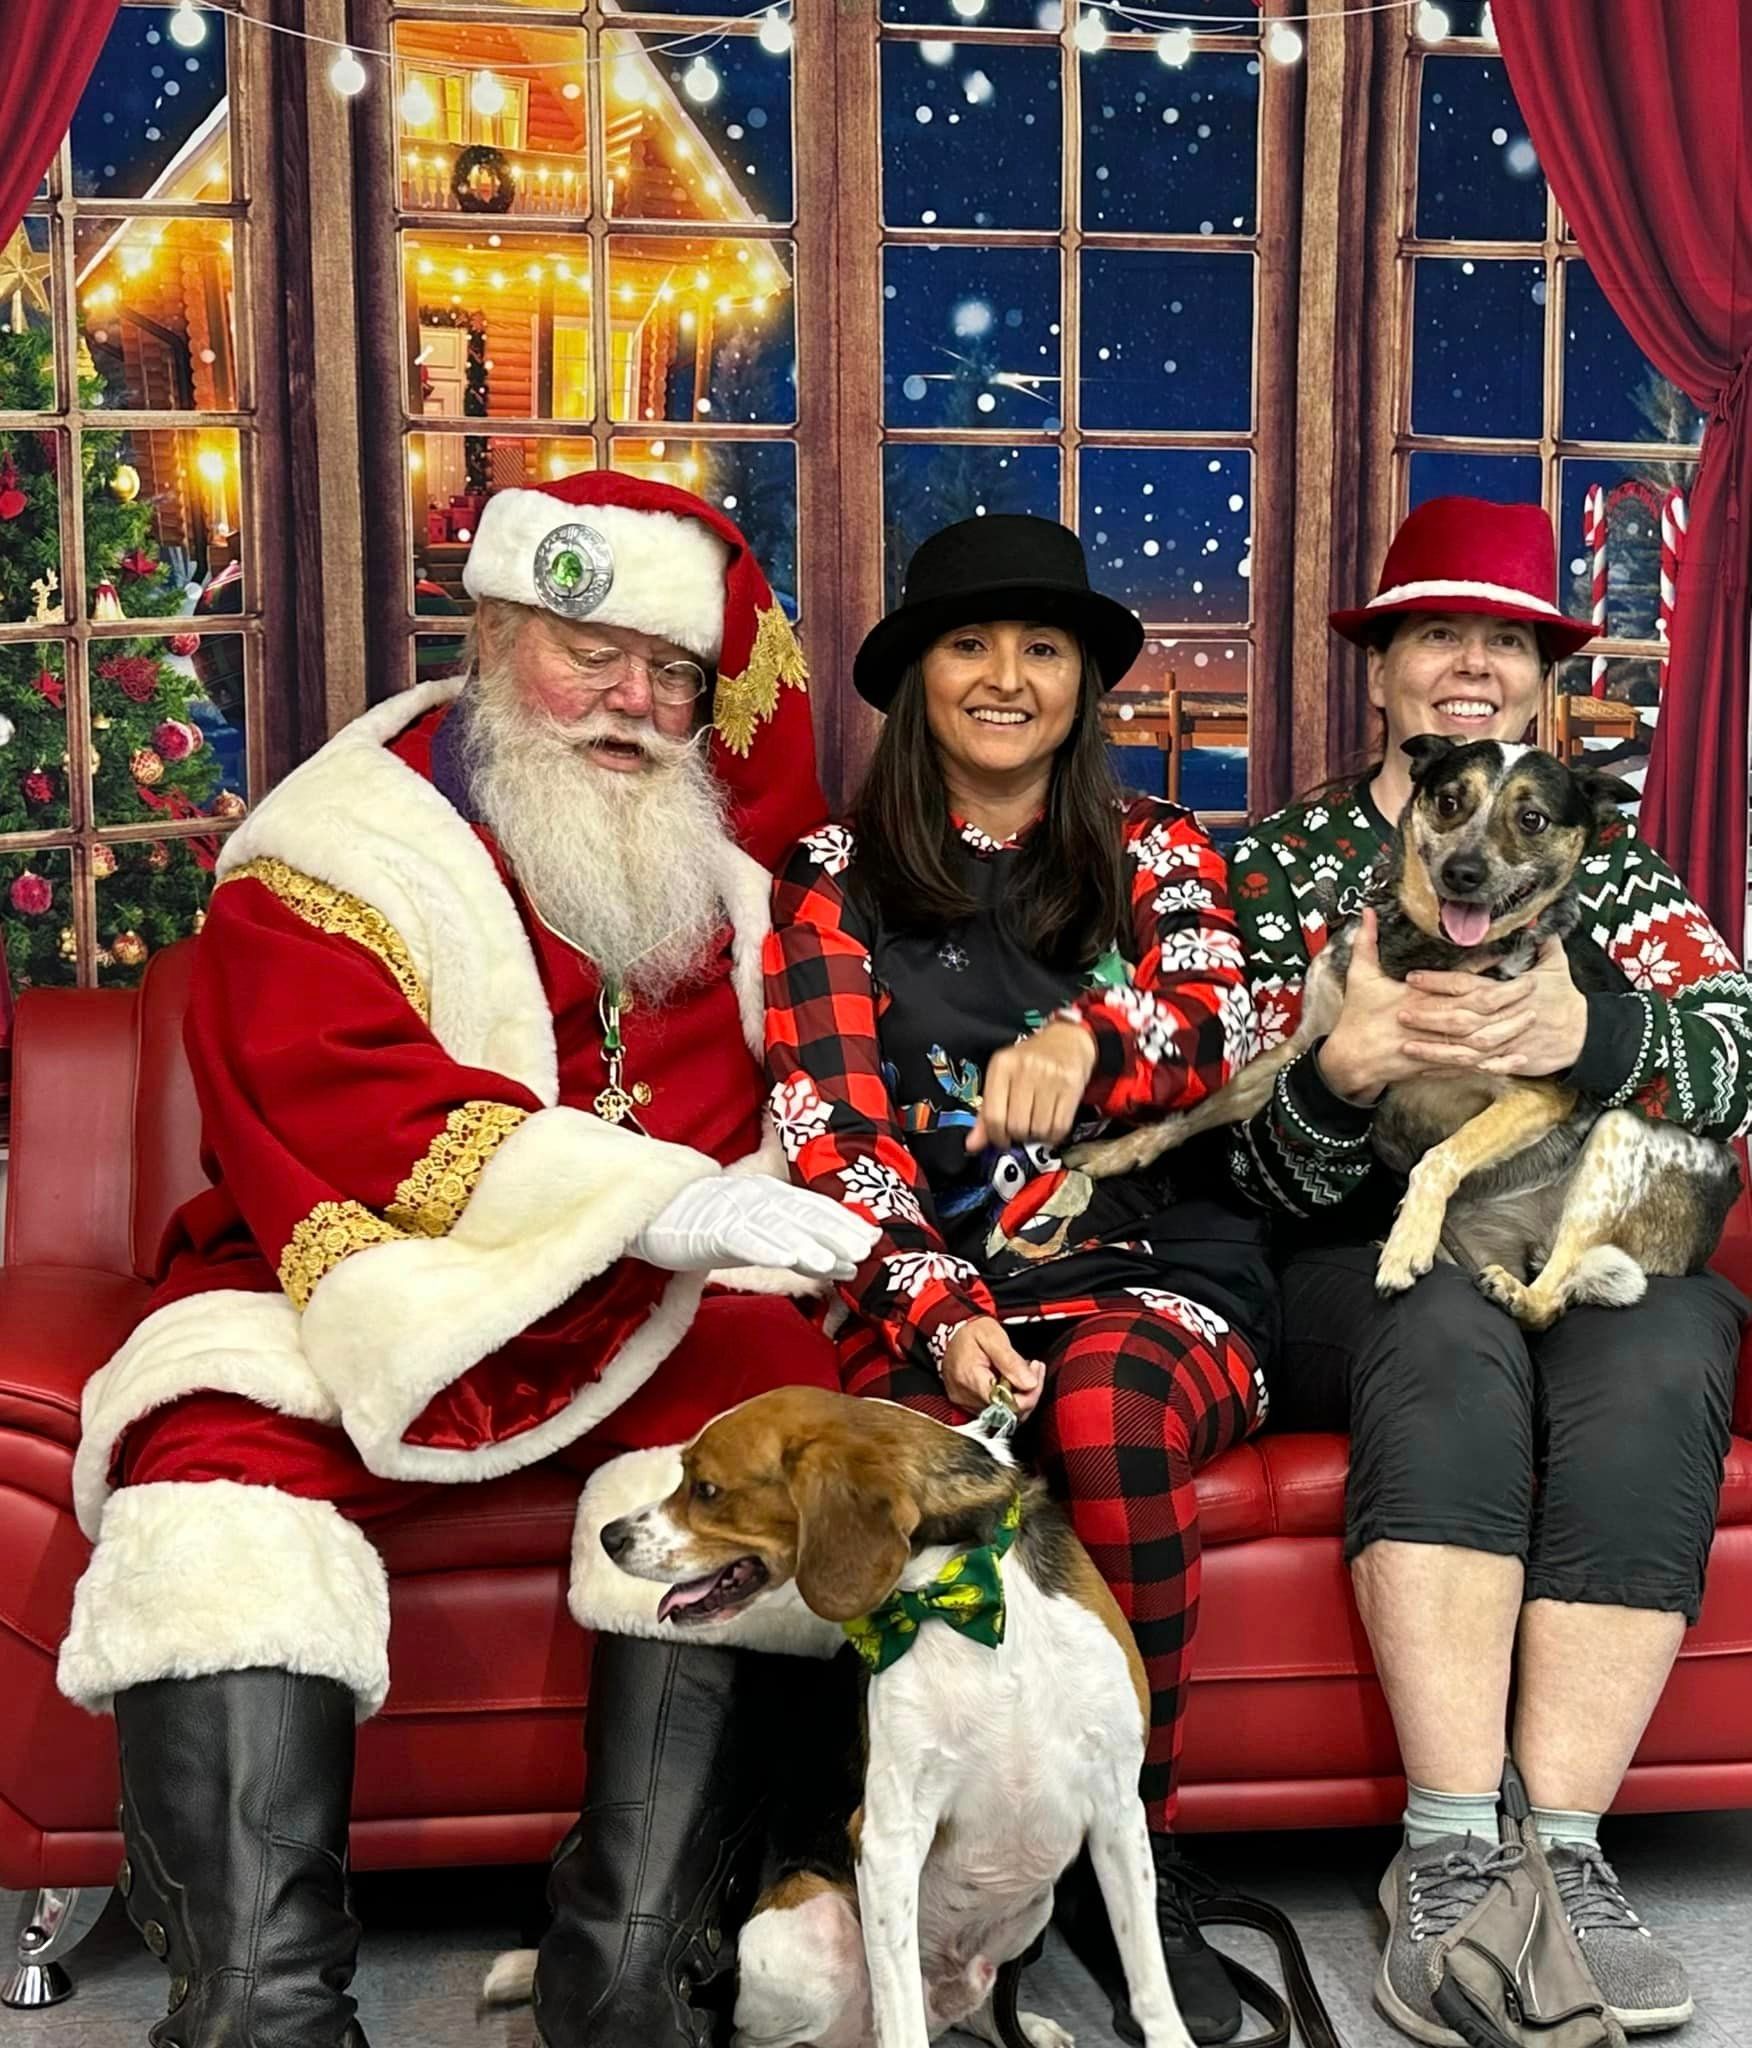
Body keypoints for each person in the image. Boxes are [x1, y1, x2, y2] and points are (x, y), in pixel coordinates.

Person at [54, 470, 880, 2048]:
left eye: (673, 672)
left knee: (778, 1411)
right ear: (496, 634)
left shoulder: (722, 877)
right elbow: (339, 1093)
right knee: (207, 1472)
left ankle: (632, 1974)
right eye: (591, 651)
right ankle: (262, 2003)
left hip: (648, 1298)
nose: (632, 703)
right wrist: (646, 1200)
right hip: (354, 1268)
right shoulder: (335, 845)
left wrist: (756, 1211)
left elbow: (797, 1098)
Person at [1225, 495, 1750, 2043]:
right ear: (1380, 670)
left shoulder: (1618, 873)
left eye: (1505, 640)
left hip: (1569, 1239)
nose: (1471, 663)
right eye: (1436, 633)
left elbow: (1737, 1059)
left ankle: (1567, 1858)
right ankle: (1452, 1852)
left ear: (1539, 679)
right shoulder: (1282, 867)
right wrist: (1341, 1077)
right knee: (1442, 1319)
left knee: (1669, 1331)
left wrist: (1606, 1036)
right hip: (1353, 1266)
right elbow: (1239, 1165)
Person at [763, 513, 1271, 2045]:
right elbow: (832, 1137)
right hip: (937, 1284)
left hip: (1156, 1271)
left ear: (1083, 683)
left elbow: (1224, 1018)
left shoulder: (1165, 848)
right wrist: (943, 1306)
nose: (1006, 676)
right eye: (969, 645)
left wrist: (1087, 1045)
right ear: (917, 679)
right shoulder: (834, 880)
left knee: (1107, 1406)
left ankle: (1143, 1849)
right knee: (891, 1472)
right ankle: (887, 1871)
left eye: (1042, 648)